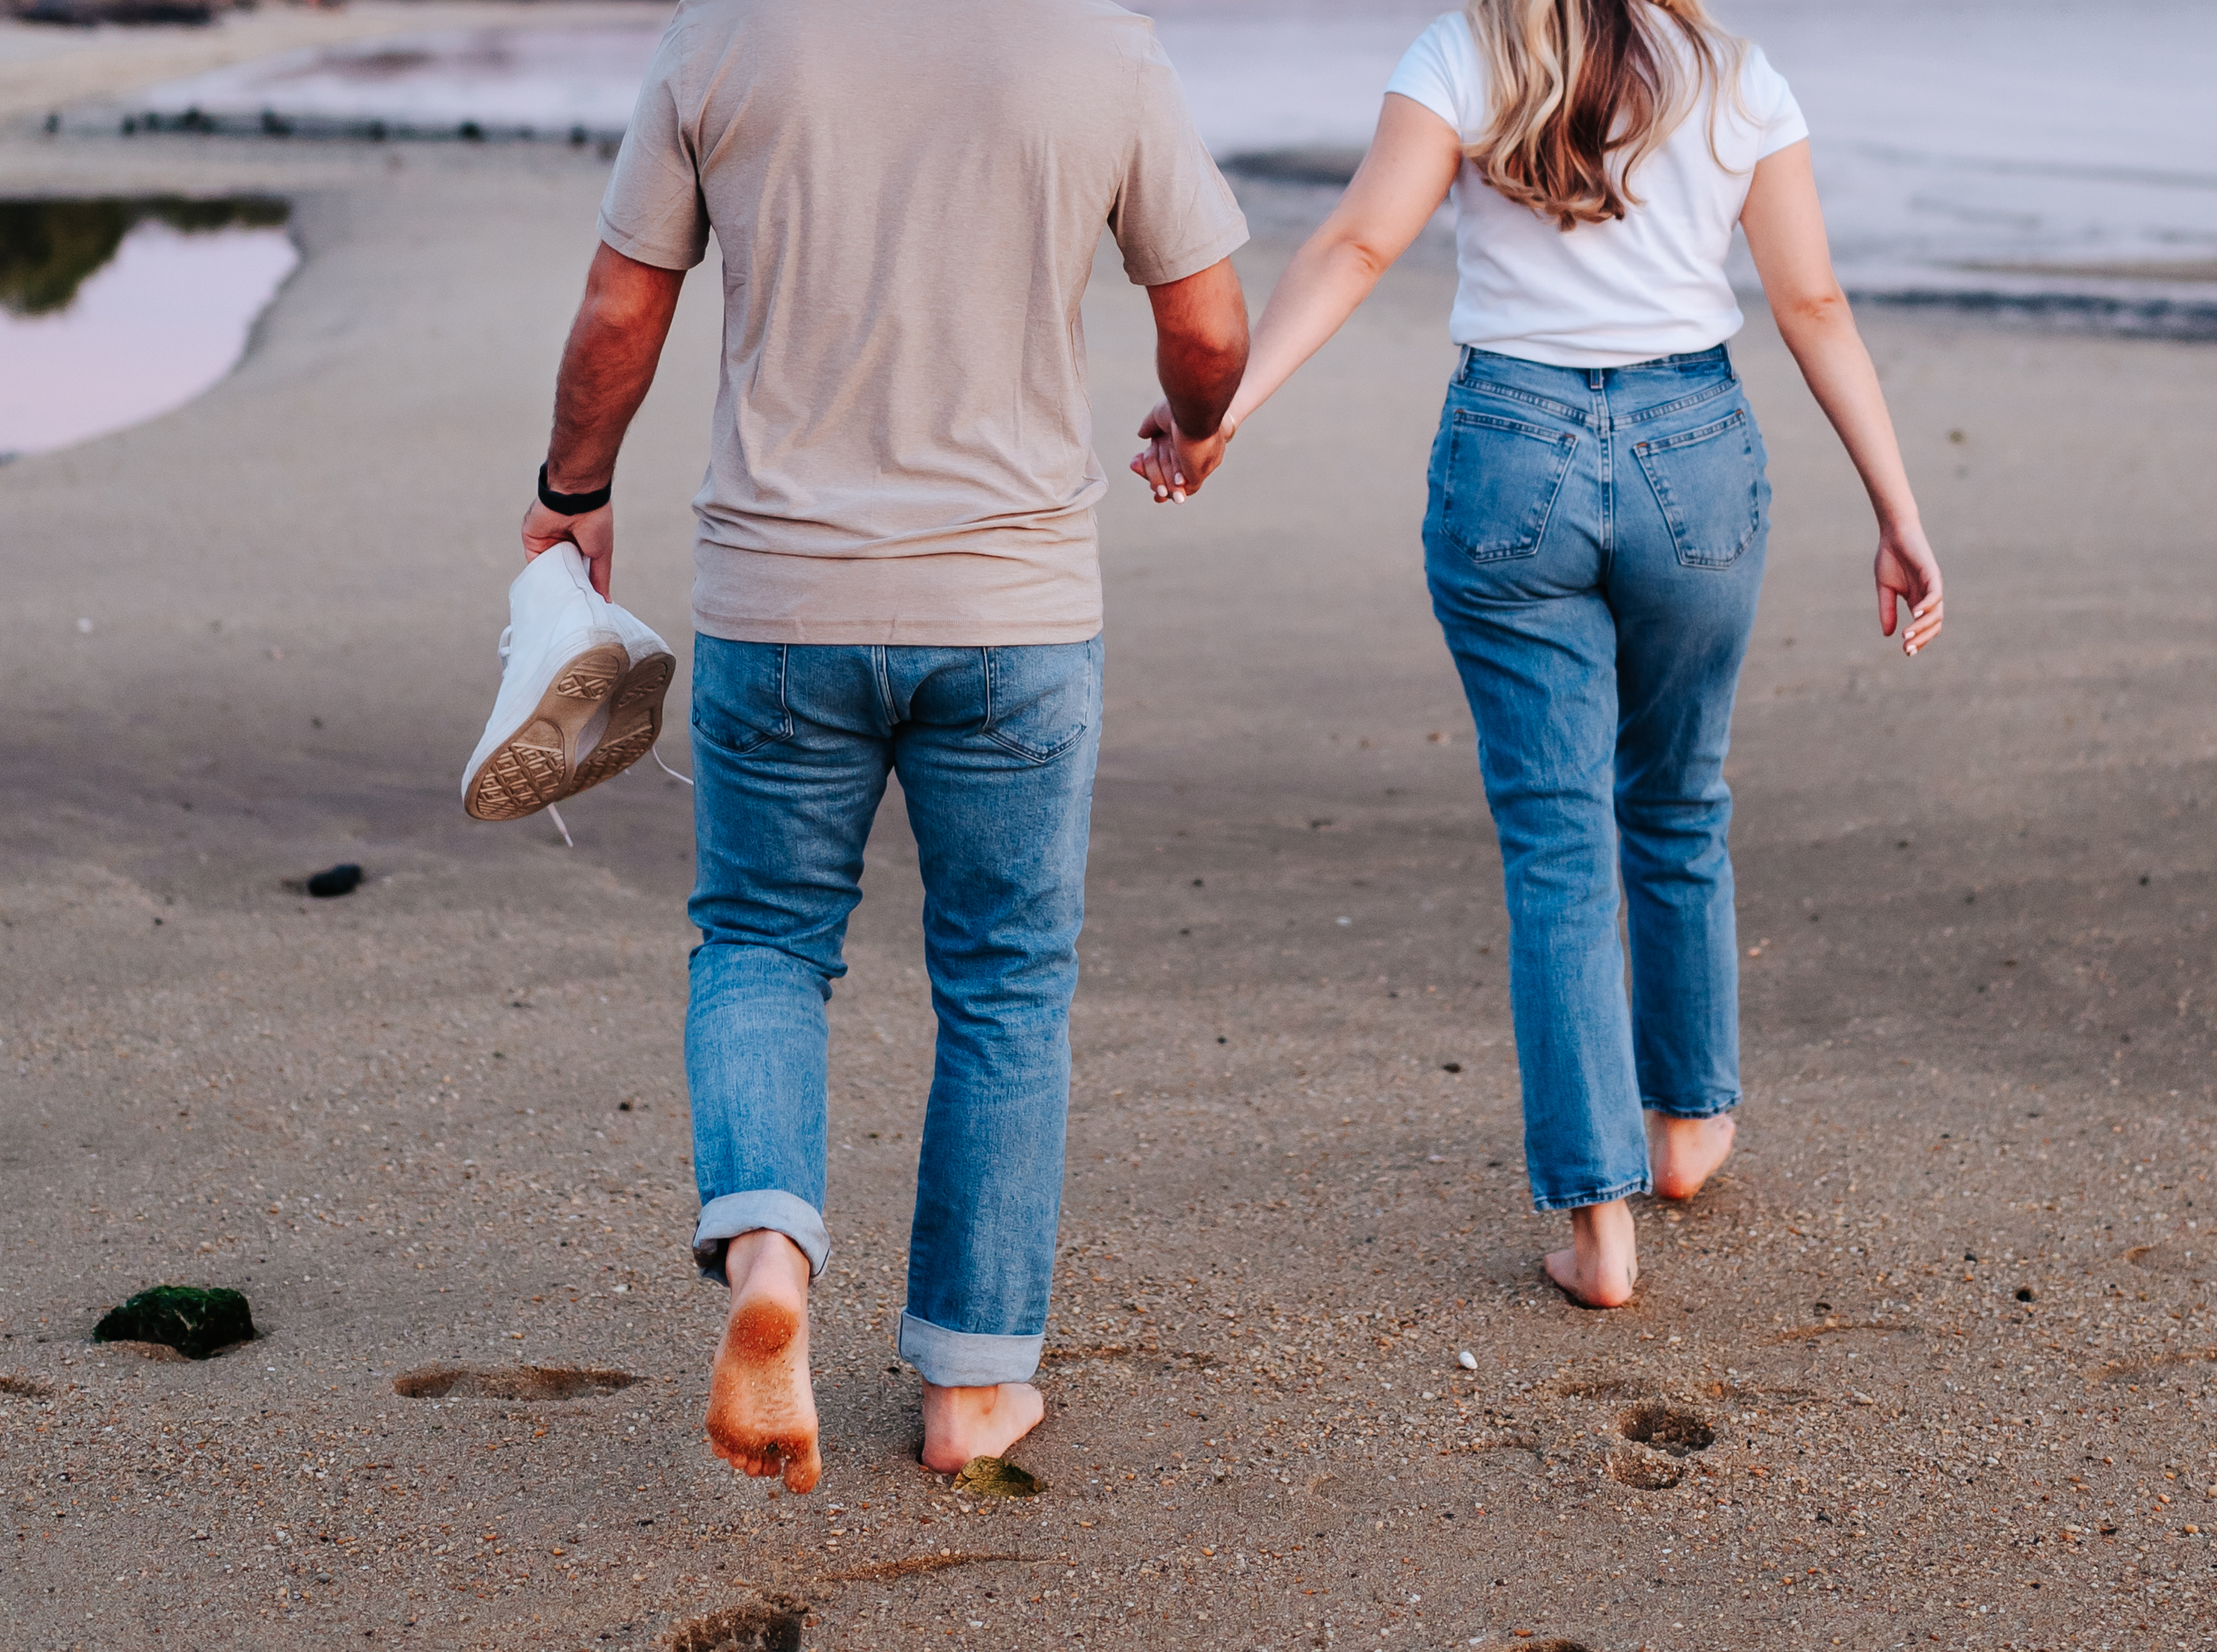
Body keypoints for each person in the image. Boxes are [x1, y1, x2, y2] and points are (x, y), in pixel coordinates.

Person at [519, 0, 1249, 1486]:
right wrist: (1197, 418)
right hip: (1015, 613)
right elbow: (1211, 325)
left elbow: (619, 310)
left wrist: (571, 487)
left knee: (765, 942)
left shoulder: (725, 31)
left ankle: (773, 1260)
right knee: (1004, 982)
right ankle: (973, 1391)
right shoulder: (1101, 41)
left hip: (781, 602)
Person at [1136, 0, 1942, 1307]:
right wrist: (1898, 512)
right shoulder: (1735, 75)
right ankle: (1686, 1133)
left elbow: (1352, 246)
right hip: (1695, 451)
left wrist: (1218, 417)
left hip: (1513, 450)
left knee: (1558, 843)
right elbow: (1815, 302)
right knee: (1679, 799)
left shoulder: (1469, 55)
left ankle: (1600, 1229)